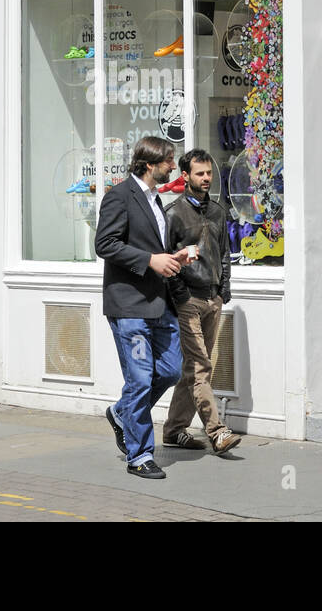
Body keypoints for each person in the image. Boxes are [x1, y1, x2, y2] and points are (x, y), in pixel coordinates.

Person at [95, 136, 190, 479]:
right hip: (130, 306)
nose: (173, 166)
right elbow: (105, 244)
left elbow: (154, 249)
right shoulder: (118, 197)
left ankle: (122, 414)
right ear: (150, 164)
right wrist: (151, 260)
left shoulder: (155, 200)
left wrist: (172, 257)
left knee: (170, 370)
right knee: (139, 379)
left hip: (159, 303)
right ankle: (140, 455)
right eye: (168, 161)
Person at [162, 149, 242, 455]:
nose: (206, 178)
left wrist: (224, 289)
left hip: (213, 298)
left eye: (209, 173)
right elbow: (166, 260)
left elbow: (224, 254)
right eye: (200, 173)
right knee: (200, 366)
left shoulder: (218, 212)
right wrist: (181, 295)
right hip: (188, 301)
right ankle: (217, 431)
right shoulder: (173, 214)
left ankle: (173, 430)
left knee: (194, 369)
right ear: (185, 176)